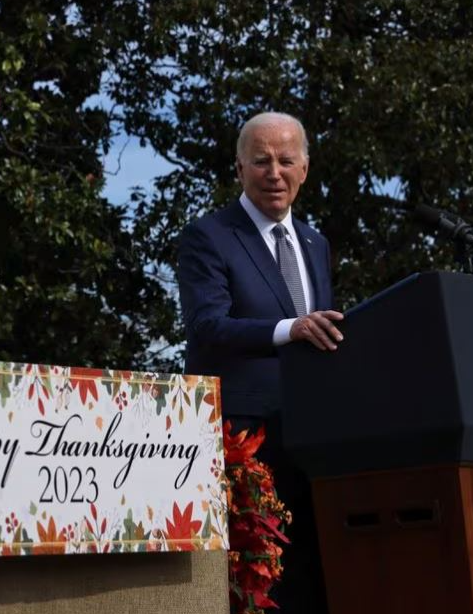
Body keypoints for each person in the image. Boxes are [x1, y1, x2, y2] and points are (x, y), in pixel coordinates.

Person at [176, 112, 343, 612]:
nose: (275, 172)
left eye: (286, 160)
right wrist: (290, 330)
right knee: (254, 587)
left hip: (311, 438)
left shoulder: (316, 243)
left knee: (312, 579)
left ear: (305, 168)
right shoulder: (208, 236)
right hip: (242, 439)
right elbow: (208, 326)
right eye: (261, 160)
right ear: (240, 168)